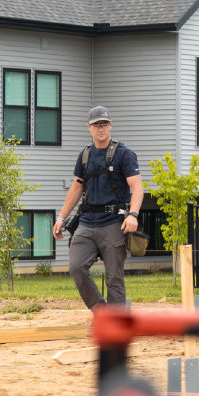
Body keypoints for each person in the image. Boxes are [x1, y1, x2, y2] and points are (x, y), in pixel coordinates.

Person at [53, 106, 143, 308]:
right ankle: (101, 313)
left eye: (104, 124)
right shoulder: (84, 155)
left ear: (110, 125)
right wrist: (61, 218)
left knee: (114, 278)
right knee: (76, 267)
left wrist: (133, 215)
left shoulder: (124, 154)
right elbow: (77, 188)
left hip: (114, 223)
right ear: (89, 127)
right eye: (96, 125)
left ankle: (117, 326)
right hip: (86, 222)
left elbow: (137, 188)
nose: (100, 128)